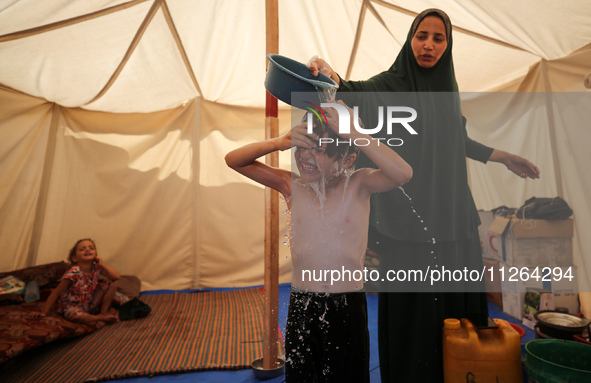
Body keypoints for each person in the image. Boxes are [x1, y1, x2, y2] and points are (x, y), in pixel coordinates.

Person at [308, 8, 540, 383]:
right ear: (410, 39)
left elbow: (457, 140)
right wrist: (328, 74)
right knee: (412, 309)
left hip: (451, 215)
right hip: (408, 220)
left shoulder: (448, 89)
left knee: (455, 308)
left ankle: (461, 369)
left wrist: (502, 157)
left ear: (447, 45)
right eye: (422, 36)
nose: (429, 45)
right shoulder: (390, 85)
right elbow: (350, 92)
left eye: (438, 38)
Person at [225, 100, 412, 383]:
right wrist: (280, 142)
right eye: (302, 148)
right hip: (303, 303)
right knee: (302, 376)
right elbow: (233, 160)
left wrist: (355, 134)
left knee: (349, 376)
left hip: (347, 304)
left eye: (319, 151)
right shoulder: (293, 186)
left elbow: (403, 173)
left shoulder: (359, 184)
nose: (306, 158)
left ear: (347, 160)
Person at [31, 238, 120, 323]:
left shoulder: (96, 268)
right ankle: (98, 318)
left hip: (89, 303)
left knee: (113, 283)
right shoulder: (74, 272)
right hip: (72, 307)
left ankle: (103, 312)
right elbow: (56, 292)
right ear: (75, 258)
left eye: (91, 248)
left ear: (96, 255)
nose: (88, 250)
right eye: (82, 249)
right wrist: (44, 312)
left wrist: (102, 264)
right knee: (78, 316)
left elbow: (116, 277)